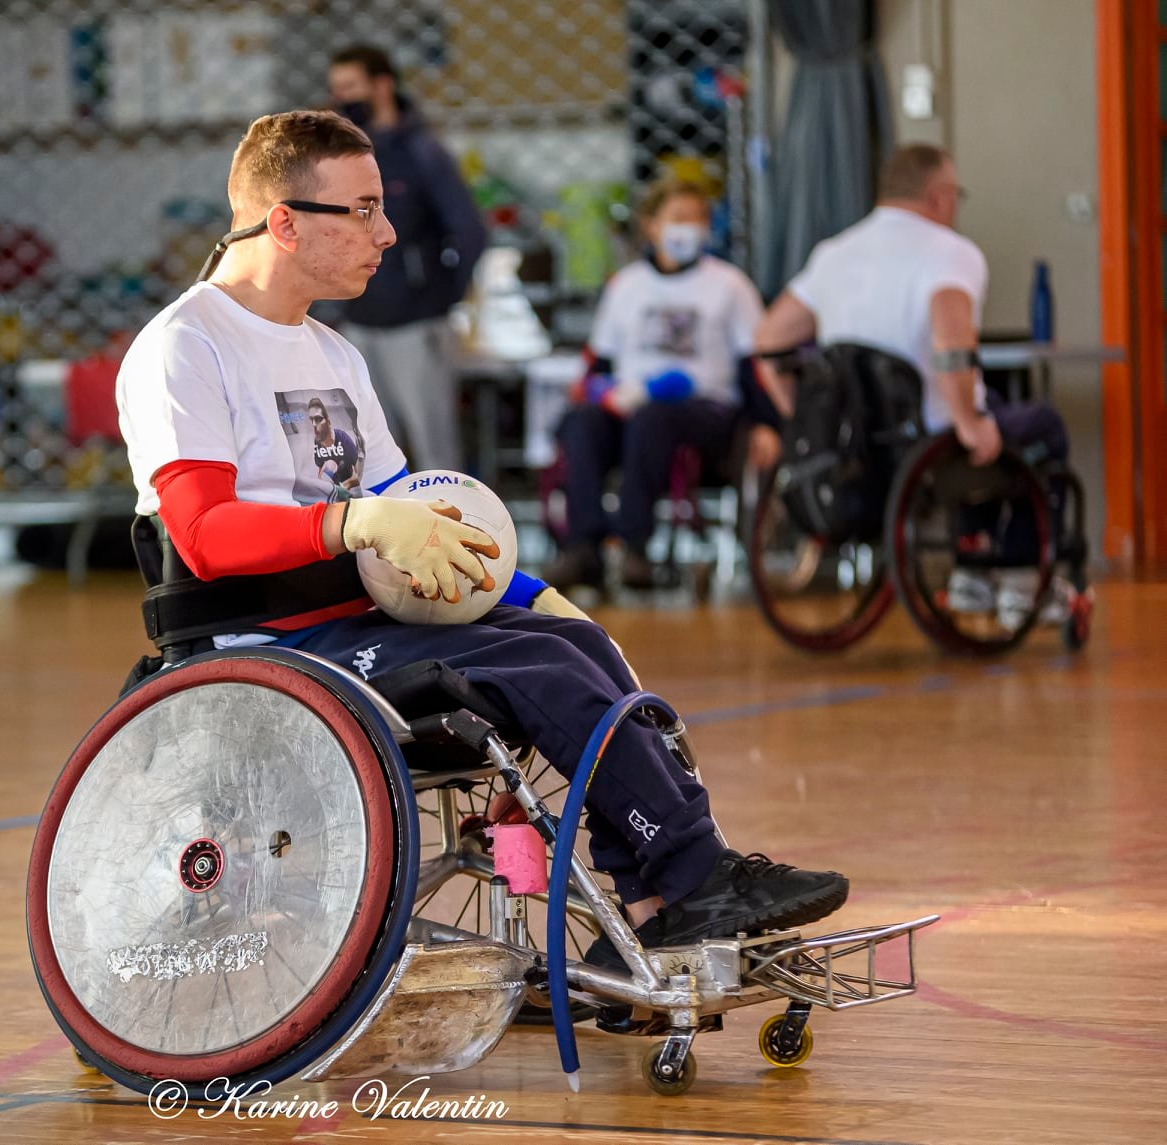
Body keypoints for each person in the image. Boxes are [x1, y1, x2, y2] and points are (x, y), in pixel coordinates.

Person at [116, 109, 849, 958]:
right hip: (262, 636)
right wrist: (355, 520)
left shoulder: (332, 353)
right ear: (283, 221)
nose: (386, 233)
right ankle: (694, 878)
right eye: (360, 209)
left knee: (578, 644)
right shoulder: (186, 344)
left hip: (357, 616)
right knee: (535, 666)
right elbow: (204, 534)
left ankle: (648, 915)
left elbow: (411, 518)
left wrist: (533, 591)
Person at [755, 143, 1073, 620]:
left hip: (855, 448)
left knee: (987, 413)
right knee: (1038, 426)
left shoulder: (834, 253)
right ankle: (1022, 577)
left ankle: (971, 574)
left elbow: (768, 339)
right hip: (925, 442)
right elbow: (952, 340)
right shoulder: (951, 253)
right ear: (941, 197)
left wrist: (800, 417)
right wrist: (968, 422)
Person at [546, 181, 773, 592]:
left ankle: (634, 546)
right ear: (651, 225)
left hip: (708, 408)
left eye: (699, 220)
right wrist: (596, 393)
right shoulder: (627, 286)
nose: (690, 229)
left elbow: (753, 365)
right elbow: (599, 362)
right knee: (584, 423)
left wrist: (766, 422)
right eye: (679, 219)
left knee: (654, 419)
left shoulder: (729, 285)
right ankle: (583, 547)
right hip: (634, 402)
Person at [327, 44, 486, 473]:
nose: (343, 98)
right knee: (367, 453)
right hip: (359, 324)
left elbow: (470, 232)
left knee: (435, 449)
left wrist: (438, 297)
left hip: (416, 325)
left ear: (382, 85)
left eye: (351, 87)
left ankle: (460, 533)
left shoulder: (421, 152)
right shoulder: (345, 157)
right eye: (337, 89)